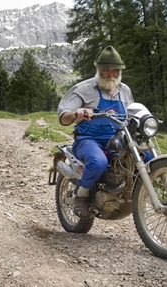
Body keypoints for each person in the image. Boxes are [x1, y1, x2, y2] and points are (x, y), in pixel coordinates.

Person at [58, 46, 137, 218]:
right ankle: (82, 194)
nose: (110, 75)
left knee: (146, 158)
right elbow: (63, 117)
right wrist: (76, 113)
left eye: (114, 71)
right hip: (88, 139)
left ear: (119, 71)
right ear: (98, 70)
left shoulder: (125, 90)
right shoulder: (83, 89)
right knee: (98, 162)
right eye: (105, 71)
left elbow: (131, 115)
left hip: (118, 140)